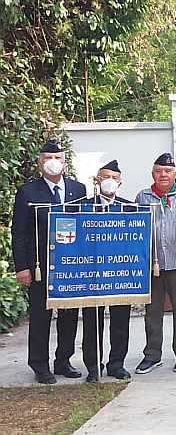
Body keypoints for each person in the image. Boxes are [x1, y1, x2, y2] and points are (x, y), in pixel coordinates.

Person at [12, 139, 86, 384]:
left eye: (58, 159)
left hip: (71, 266)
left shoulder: (78, 189)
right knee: (40, 317)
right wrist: (22, 266)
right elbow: (19, 232)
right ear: (39, 162)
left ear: (65, 163)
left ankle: (63, 360)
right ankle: (39, 365)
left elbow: (85, 227)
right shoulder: (28, 192)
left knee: (68, 316)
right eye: (47, 159)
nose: (53, 163)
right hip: (39, 267)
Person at [135, 152, 176, 374]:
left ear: (175, 174)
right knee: (152, 311)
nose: (163, 175)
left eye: (168, 171)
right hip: (152, 265)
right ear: (152, 174)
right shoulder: (142, 197)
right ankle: (152, 355)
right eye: (159, 171)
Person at [82, 160, 135, 382]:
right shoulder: (84, 206)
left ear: (120, 182)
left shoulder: (129, 207)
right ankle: (93, 367)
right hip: (91, 275)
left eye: (114, 178)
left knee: (120, 321)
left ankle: (116, 364)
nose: (109, 182)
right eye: (105, 177)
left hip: (120, 274)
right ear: (97, 180)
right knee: (92, 323)